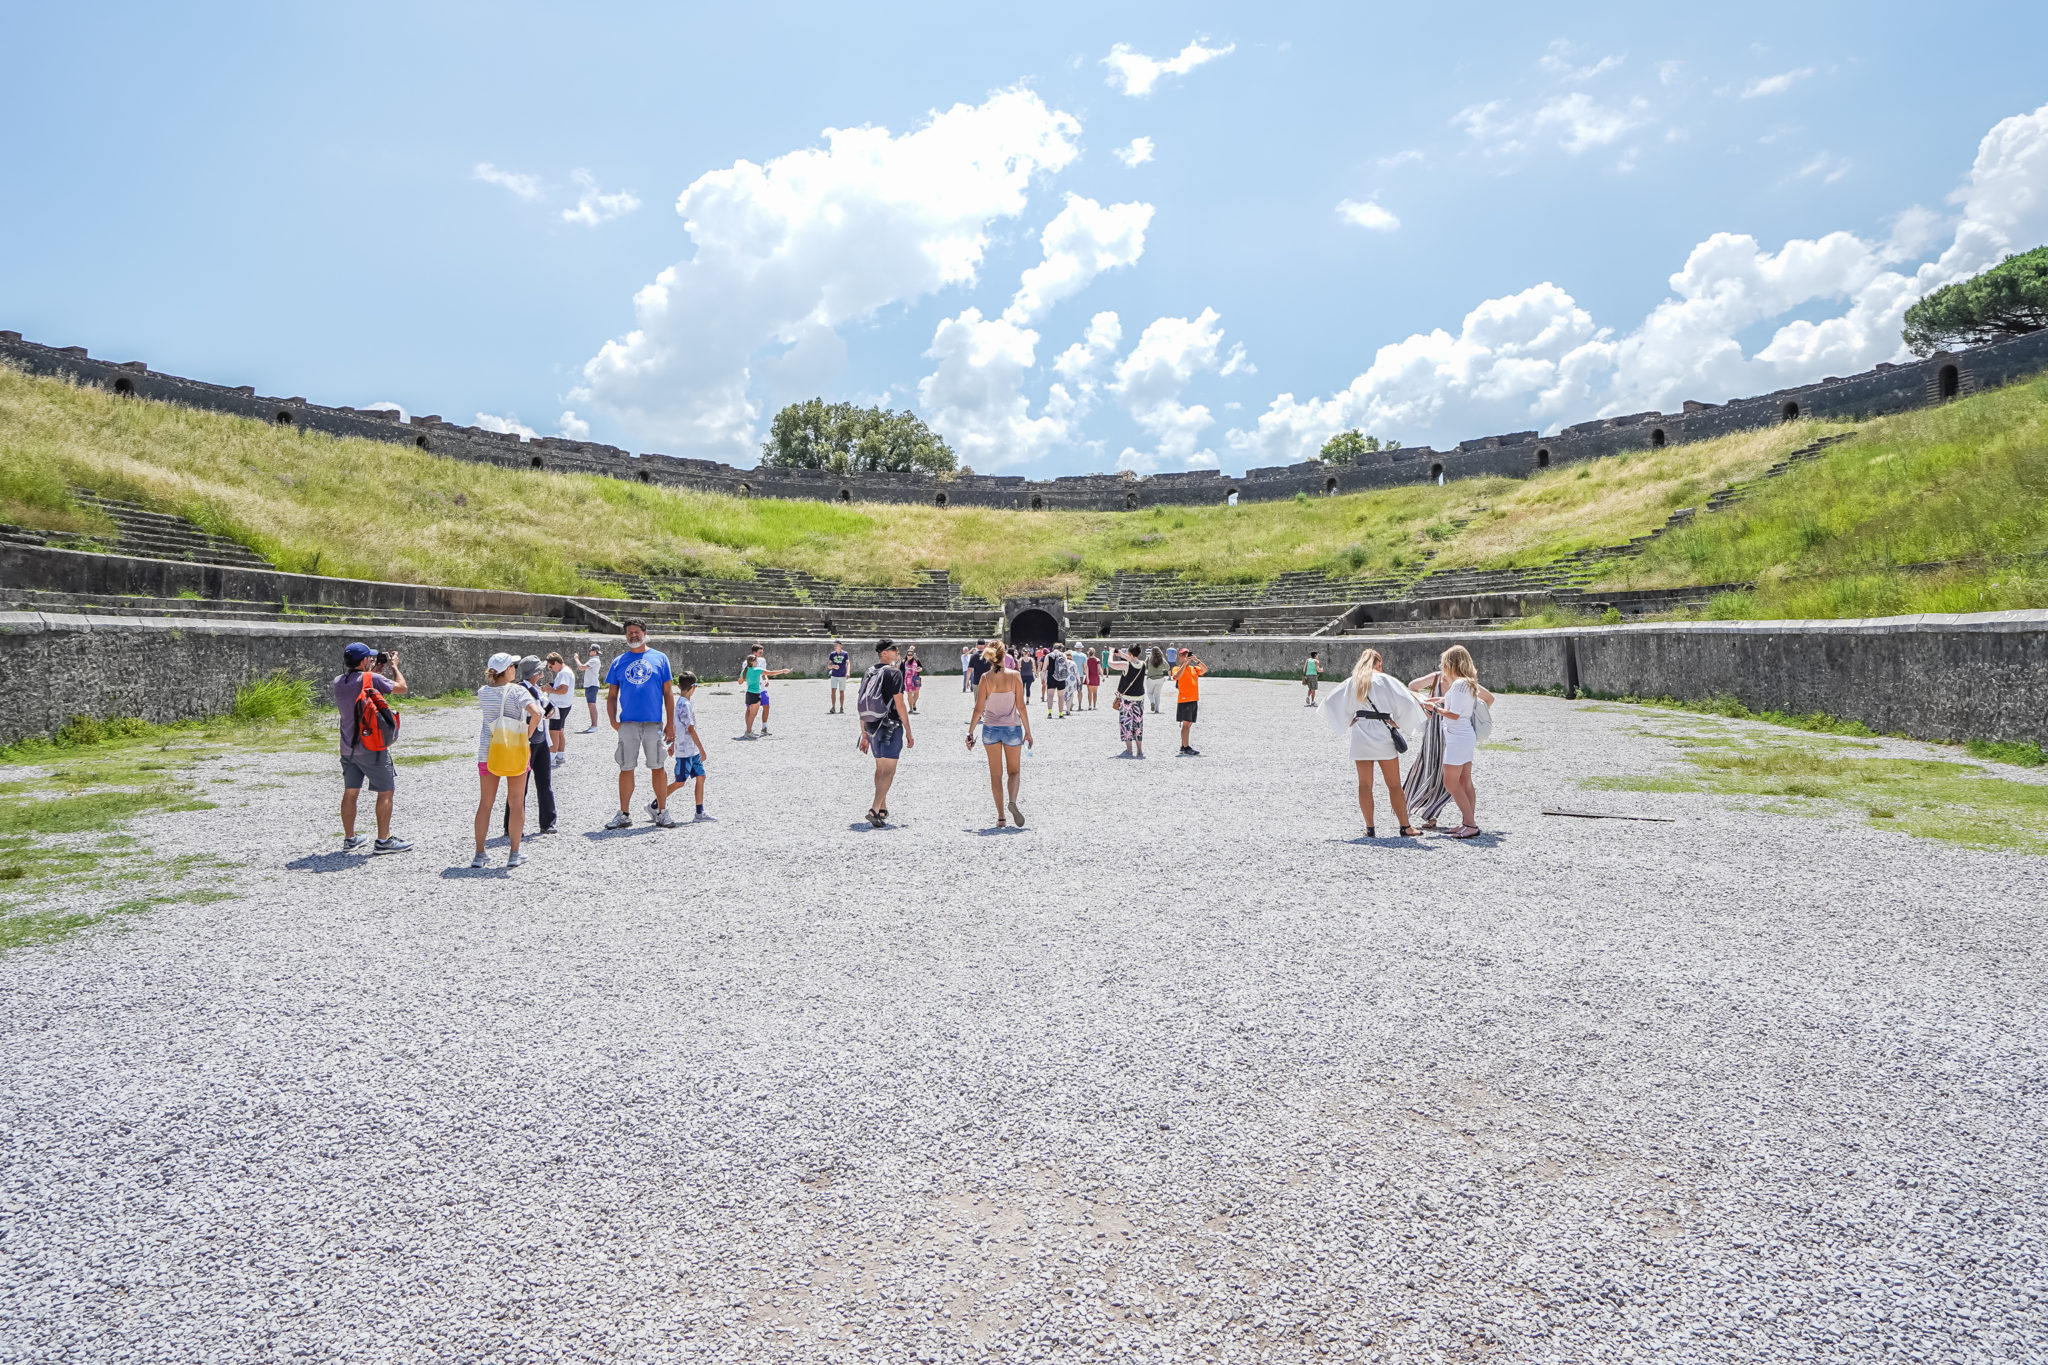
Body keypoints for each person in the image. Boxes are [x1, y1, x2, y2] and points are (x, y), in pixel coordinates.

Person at [1320, 647, 1424, 838]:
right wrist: (1398, 723)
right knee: (1393, 784)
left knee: (1365, 784)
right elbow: (1408, 701)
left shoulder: (1354, 681)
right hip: (1382, 732)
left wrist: (1347, 720)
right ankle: (1405, 826)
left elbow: (1329, 701)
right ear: (1379, 663)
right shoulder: (1386, 681)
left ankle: (1370, 828)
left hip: (1361, 733)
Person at [333, 641, 410, 854]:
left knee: (350, 792)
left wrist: (373, 672)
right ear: (365, 660)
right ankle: (384, 841)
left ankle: (350, 839)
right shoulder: (372, 679)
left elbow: (363, 689)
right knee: (386, 791)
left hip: (348, 748)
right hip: (371, 747)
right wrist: (394, 667)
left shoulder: (338, 681)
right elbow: (402, 688)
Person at [604, 618, 678, 829]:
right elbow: (611, 695)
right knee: (626, 767)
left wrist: (670, 724)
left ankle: (662, 812)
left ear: (645, 633)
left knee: (658, 767)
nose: (633, 636)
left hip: (653, 723)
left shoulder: (660, 658)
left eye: (636, 632)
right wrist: (612, 720)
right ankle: (624, 813)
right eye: (629, 633)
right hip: (628, 723)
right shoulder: (619, 661)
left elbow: (668, 693)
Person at [474, 652, 543, 868]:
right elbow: (537, 713)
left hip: (488, 751)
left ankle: (479, 853)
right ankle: (514, 852)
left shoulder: (483, 692)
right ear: (509, 670)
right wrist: (528, 734)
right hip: (514, 749)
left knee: (485, 803)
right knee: (516, 803)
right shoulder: (517, 691)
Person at [1419, 644, 1493, 839]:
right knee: (1465, 781)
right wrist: (1440, 700)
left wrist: (1433, 708)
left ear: (1451, 663)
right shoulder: (1467, 683)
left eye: (1444, 663)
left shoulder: (1459, 684)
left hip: (1457, 737)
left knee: (1450, 782)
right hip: (1464, 736)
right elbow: (1457, 705)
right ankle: (1467, 822)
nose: (1442, 667)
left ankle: (1470, 824)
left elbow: (1453, 714)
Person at [965, 641, 1032, 828]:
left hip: (990, 729)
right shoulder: (1014, 676)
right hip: (1012, 728)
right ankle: (1012, 801)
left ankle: (1001, 817)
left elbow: (978, 709)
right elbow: (1021, 706)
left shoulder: (986, 678)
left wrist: (970, 732)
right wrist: (1028, 731)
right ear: (1005, 656)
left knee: (996, 775)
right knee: (1014, 771)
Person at [856, 638, 913, 828]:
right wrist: (908, 730)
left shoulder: (869, 672)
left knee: (880, 769)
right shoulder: (894, 673)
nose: (898, 652)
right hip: (890, 725)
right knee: (889, 770)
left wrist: (863, 732)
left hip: (872, 725)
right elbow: (900, 704)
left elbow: (862, 702)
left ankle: (882, 808)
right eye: (894, 649)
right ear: (884, 654)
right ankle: (873, 809)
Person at [510, 657, 557, 838]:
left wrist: (548, 709)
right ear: (536, 673)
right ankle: (513, 826)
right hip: (526, 742)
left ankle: (548, 822)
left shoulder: (536, 689)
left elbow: (548, 708)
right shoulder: (520, 690)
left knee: (544, 783)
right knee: (520, 787)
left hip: (541, 741)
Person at [1402, 666, 1454, 830]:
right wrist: (1425, 701)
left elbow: (1484, 699)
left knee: (1447, 772)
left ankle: (1436, 810)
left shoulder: (1462, 681)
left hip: (1453, 730)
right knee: (1428, 767)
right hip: (1433, 730)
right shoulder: (1436, 678)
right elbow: (1412, 686)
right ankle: (1428, 812)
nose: (1443, 668)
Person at [669, 670, 713, 822]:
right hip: (685, 750)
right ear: (694, 687)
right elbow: (690, 728)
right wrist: (702, 748)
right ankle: (655, 805)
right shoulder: (684, 705)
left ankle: (699, 813)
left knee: (701, 776)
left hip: (691, 750)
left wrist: (671, 743)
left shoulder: (683, 703)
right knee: (680, 782)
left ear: (679, 686)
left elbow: (675, 725)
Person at [1109, 643, 1148, 758]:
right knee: (1138, 724)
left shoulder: (1126, 665)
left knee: (1126, 723)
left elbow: (1110, 664)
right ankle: (1140, 751)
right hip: (1139, 699)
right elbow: (1133, 660)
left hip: (1127, 700)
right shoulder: (1143, 664)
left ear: (1130, 653)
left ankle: (1129, 750)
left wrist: (1111, 653)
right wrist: (1122, 654)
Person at [741, 646, 789, 737]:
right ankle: (748, 730)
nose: (761, 654)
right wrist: (782, 671)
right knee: (750, 711)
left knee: (766, 706)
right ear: (754, 653)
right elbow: (745, 676)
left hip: (761, 689)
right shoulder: (746, 664)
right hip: (753, 690)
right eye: (759, 653)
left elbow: (765, 673)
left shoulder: (762, 661)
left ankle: (763, 728)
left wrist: (766, 679)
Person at [1171, 649, 1207, 756]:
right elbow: (1176, 676)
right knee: (1186, 724)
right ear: (1179, 656)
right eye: (1183, 655)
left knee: (1189, 723)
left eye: (1187, 655)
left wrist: (1197, 660)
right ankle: (1186, 747)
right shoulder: (1176, 668)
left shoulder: (1193, 668)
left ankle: (1184, 745)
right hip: (1184, 699)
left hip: (1193, 698)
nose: (1185, 656)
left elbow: (1205, 670)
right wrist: (1185, 664)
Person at [544, 651, 574, 766]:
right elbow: (561, 687)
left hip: (559, 706)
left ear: (556, 663)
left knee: (554, 732)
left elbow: (563, 690)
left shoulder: (563, 673)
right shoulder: (566, 671)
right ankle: (560, 756)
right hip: (564, 705)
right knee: (560, 731)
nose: (551, 669)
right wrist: (551, 686)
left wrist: (549, 690)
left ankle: (551, 757)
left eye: (551, 666)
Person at [575, 647, 604, 732]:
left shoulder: (594, 660)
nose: (589, 652)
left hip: (592, 684)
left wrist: (576, 658)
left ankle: (594, 725)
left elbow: (581, 667)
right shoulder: (593, 660)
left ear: (595, 652)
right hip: (590, 684)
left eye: (591, 650)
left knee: (592, 705)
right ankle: (593, 725)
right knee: (591, 705)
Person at [826, 640, 851, 714]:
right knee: (833, 691)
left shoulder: (845, 654)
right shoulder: (832, 654)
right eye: (834, 646)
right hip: (834, 675)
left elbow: (848, 663)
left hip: (842, 675)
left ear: (840, 646)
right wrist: (833, 666)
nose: (835, 647)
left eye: (836, 646)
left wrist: (848, 672)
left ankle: (841, 707)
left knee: (841, 692)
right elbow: (828, 666)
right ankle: (833, 707)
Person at [1144, 646, 1170, 713]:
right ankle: (1157, 710)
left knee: (1149, 693)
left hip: (1150, 678)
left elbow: (1144, 667)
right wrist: (1162, 668)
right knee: (1157, 694)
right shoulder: (1161, 659)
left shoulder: (1148, 658)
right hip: (1160, 678)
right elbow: (1168, 667)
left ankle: (1152, 702)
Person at [1062, 645, 1083, 717]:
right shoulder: (1073, 663)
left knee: (1062, 693)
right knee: (1071, 694)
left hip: (1064, 678)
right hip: (1072, 679)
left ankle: (1061, 708)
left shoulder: (1062, 662)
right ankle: (1068, 710)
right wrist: (1079, 680)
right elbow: (1076, 672)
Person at [903, 646, 925, 714]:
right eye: (908, 654)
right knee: (909, 694)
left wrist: (919, 669)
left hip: (916, 678)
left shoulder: (916, 660)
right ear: (906, 655)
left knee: (916, 693)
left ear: (913, 655)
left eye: (911, 655)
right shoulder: (904, 661)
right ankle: (910, 708)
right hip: (907, 679)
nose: (909, 656)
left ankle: (914, 703)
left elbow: (921, 668)